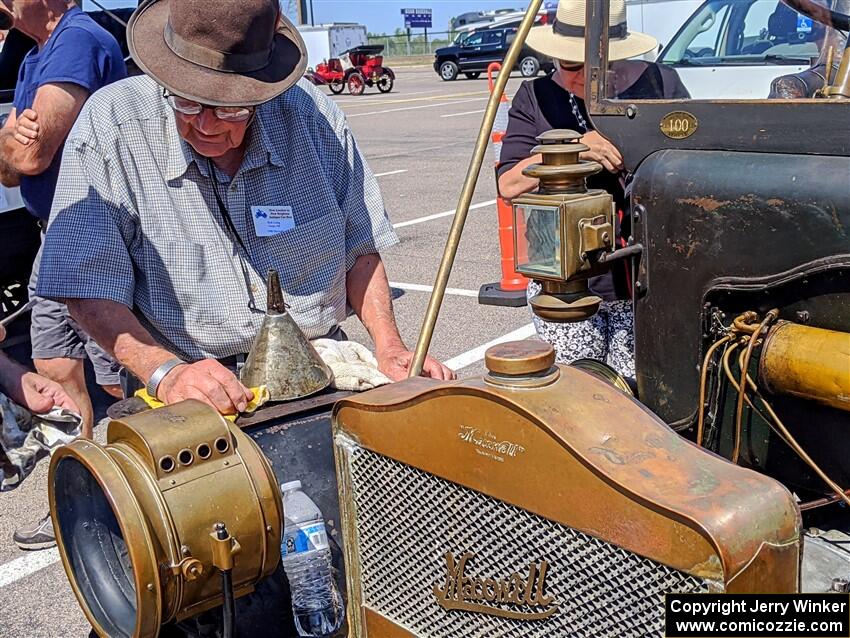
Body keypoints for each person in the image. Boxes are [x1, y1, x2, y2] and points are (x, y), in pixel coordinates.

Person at [36, 0, 453, 420]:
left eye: (230, 108)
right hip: (191, 391)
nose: (206, 125)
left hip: (321, 372)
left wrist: (390, 347)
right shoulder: (111, 125)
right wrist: (165, 372)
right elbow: (85, 285)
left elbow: (360, 249)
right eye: (188, 103)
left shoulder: (312, 115)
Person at [497, 0, 688, 379]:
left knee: (643, 396)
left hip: (647, 281)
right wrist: (575, 148)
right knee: (580, 390)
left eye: (601, 66)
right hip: (565, 289)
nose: (584, 76)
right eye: (570, 65)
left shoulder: (661, 84)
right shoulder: (534, 97)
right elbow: (509, 183)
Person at [0, 0, 126, 551]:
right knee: (53, 366)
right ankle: (81, 498)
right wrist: (12, 142)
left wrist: (17, 141)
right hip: (56, 232)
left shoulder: (77, 39)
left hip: (100, 234)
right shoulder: (32, 56)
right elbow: (11, 161)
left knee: (119, 376)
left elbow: (29, 156)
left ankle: (145, 499)